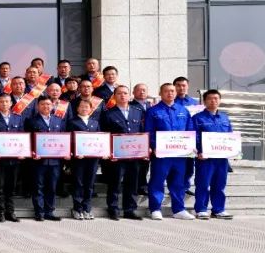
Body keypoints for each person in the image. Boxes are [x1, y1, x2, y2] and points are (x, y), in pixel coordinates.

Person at [145, 83, 195, 220]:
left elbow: (190, 129)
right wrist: (154, 145)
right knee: (157, 180)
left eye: (172, 91)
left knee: (178, 182)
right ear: (160, 93)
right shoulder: (153, 111)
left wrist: (192, 145)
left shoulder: (183, 110)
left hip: (180, 154)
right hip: (161, 153)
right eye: (166, 91)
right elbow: (149, 131)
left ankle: (179, 210)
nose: (170, 93)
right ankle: (155, 209)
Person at [100, 85, 146, 220]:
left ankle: (129, 209)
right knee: (115, 183)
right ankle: (113, 209)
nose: (122, 96)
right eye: (119, 93)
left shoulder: (138, 111)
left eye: (125, 93)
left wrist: (144, 150)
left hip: (134, 155)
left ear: (130, 95)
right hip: (117, 155)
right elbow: (105, 135)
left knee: (132, 183)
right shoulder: (108, 113)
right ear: (114, 96)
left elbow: (142, 132)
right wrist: (109, 152)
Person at [192, 89, 234, 220]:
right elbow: (194, 137)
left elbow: (230, 136)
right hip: (205, 158)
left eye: (216, 98)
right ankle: (201, 209)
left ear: (219, 100)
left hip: (221, 158)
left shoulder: (225, 118)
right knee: (203, 184)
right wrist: (199, 152)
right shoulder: (197, 118)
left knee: (219, 184)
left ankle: (218, 209)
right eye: (210, 98)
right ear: (204, 101)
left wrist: (233, 150)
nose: (213, 101)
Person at [0, 94, 25, 222]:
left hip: (14, 159)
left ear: (11, 103)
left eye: (7, 101)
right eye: (1, 101)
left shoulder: (18, 118)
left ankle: (10, 212)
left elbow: (22, 137)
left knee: (11, 187)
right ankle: (0, 212)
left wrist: (22, 151)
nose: (4, 104)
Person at [67, 98, 102, 220]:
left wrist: (101, 152)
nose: (84, 109)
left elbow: (100, 140)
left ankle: (87, 208)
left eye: (87, 107)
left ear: (91, 109)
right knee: (78, 183)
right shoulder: (72, 122)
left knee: (89, 184)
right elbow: (69, 140)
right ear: (77, 108)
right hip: (79, 159)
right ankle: (77, 209)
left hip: (92, 159)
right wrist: (75, 152)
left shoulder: (95, 123)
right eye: (81, 106)